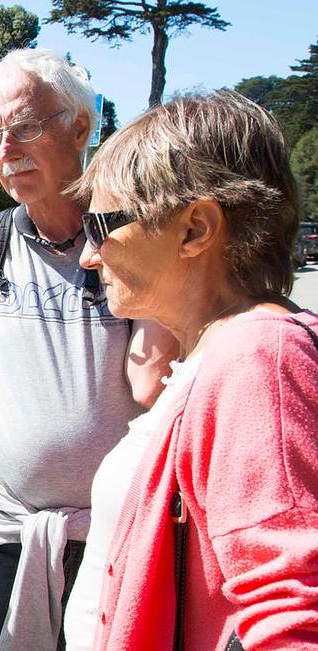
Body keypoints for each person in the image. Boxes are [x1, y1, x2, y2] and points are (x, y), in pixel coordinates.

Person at [0, 49, 177, 650]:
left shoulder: (134, 238)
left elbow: (154, 381)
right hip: (0, 535)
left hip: (114, 537)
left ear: (80, 126)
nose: (6, 150)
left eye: (23, 128)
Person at [69, 91, 318, 649]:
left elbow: (295, 620)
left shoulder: (260, 358)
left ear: (196, 229)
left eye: (101, 227)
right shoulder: (226, 351)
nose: (89, 256)